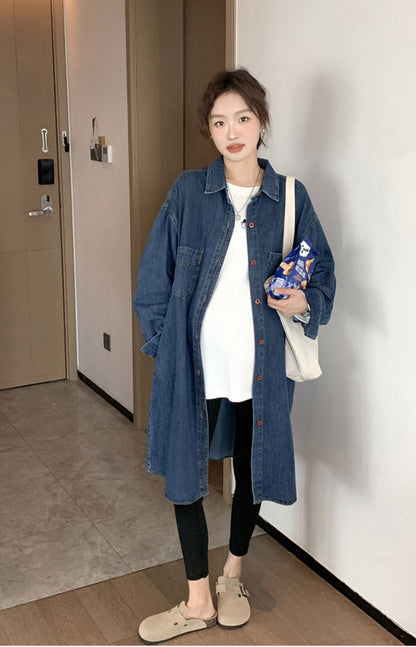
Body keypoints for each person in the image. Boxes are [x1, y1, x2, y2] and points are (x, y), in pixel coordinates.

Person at [134, 68, 335, 643]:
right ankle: (197, 599)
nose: (232, 132)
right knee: (186, 472)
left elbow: (321, 273)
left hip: (261, 368)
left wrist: (303, 300)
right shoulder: (187, 193)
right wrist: (166, 350)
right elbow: (153, 281)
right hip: (196, 365)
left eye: (242, 118)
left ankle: (233, 576)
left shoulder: (290, 197)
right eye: (220, 122)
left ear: (261, 121)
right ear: (210, 130)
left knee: (252, 470)